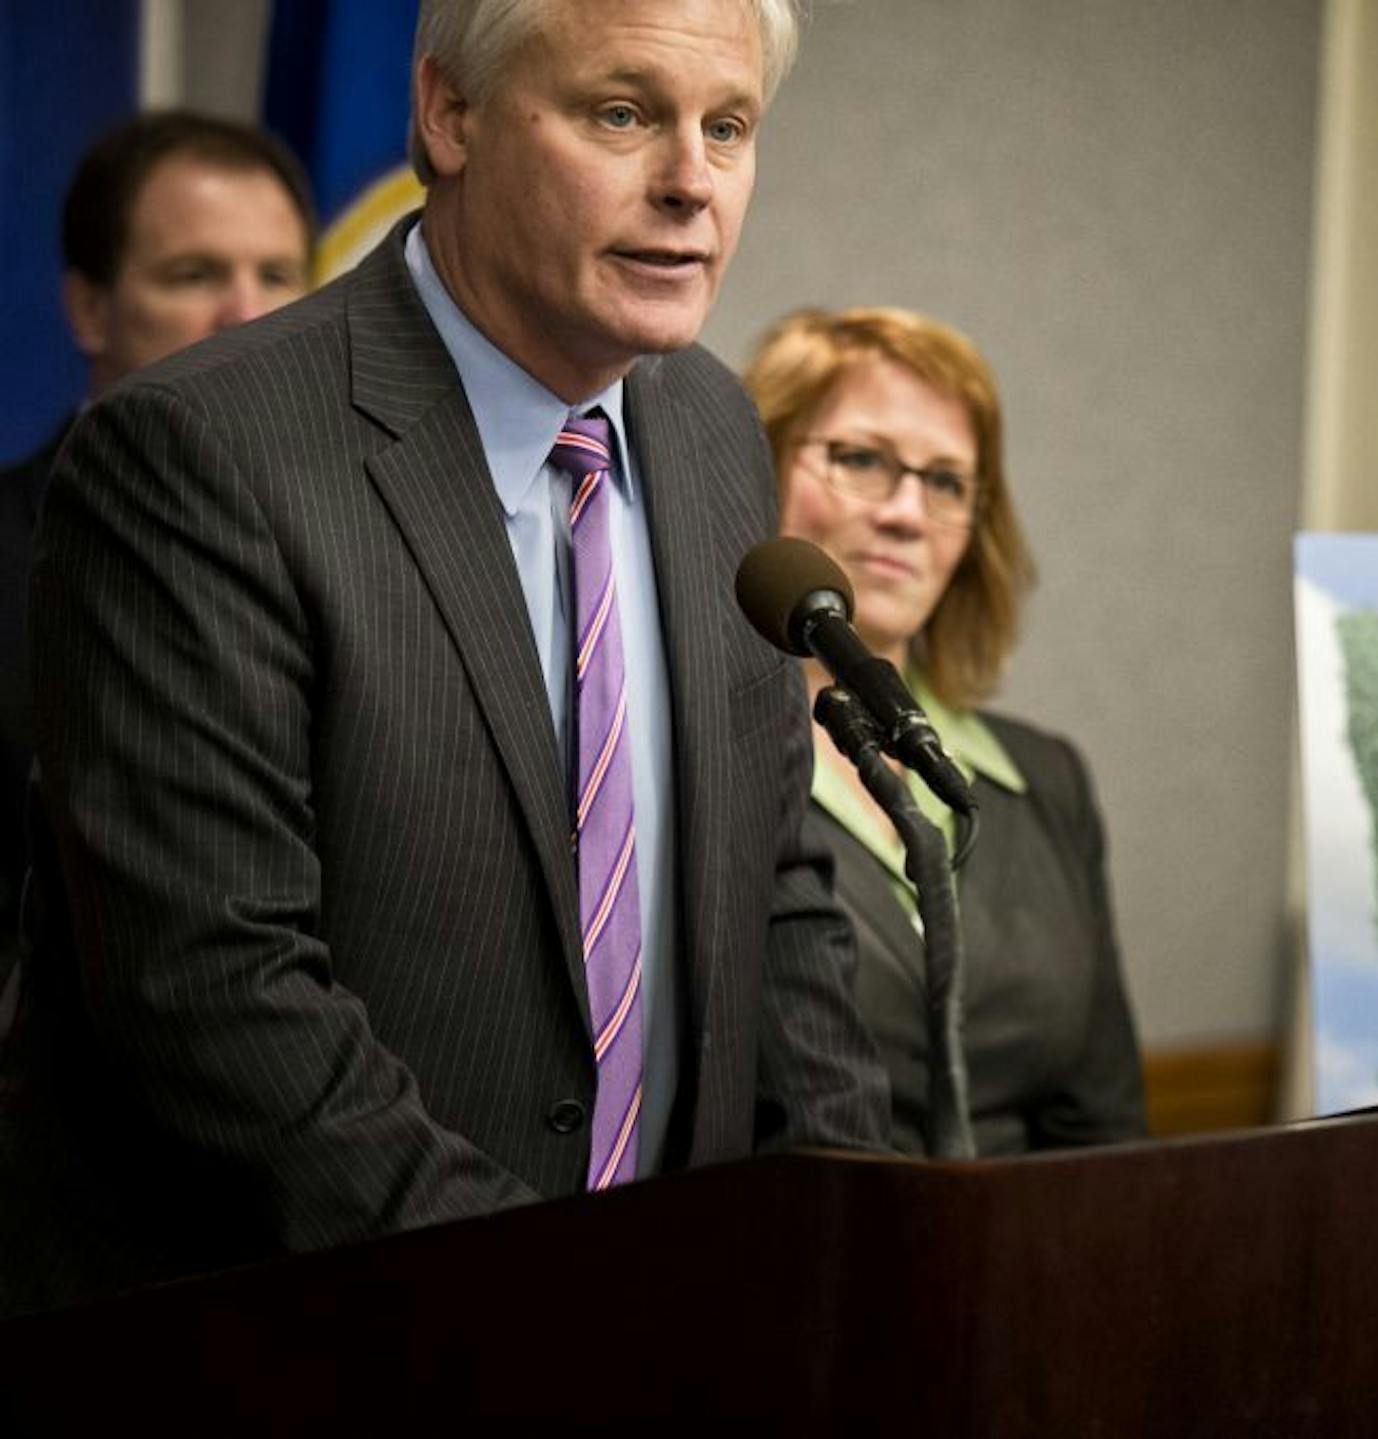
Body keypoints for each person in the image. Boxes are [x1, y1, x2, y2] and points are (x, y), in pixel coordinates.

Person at [2, 0, 888, 1317]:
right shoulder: (197, 452)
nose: (691, 181)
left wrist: (841, 1237)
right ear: (448, 114)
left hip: (692, 1339)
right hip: (305, 1352)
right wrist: (553, 1307)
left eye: (729, 126)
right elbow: (214, 982)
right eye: (623, 113)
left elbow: (780, 881)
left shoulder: (710, 425)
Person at [743, 307, 1146, 1156]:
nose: (906, 513)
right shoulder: (698, 762)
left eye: (946, 481)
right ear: (756, 464)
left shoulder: (1046, 779)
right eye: (860, 459)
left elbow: (1103, 1126)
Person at [0, 111, 314, 1046]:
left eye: (279, 276)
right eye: (194, 276)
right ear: (90, 308)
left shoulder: (382, 549)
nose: (248, 316)